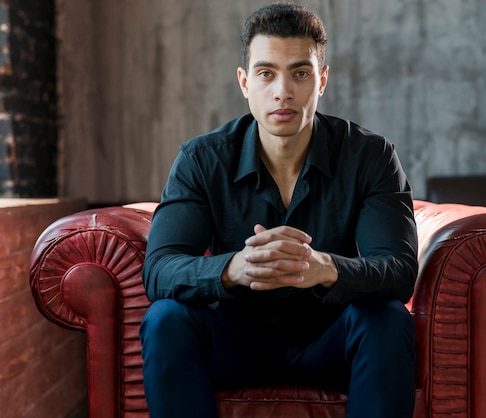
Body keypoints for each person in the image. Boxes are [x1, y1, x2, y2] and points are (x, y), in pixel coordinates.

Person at [139, 2, 418, 417]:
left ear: (321, 80)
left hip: (332, 342)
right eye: (266, 73)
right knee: (166, 320)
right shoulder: (202, 159)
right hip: (236, 344)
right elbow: (158, 268)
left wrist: (325, 267)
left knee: (387, 319)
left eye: (300, 73)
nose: (283, 91)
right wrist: (233, 269)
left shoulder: (370, 156)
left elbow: (399, 269)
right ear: (244, 82)